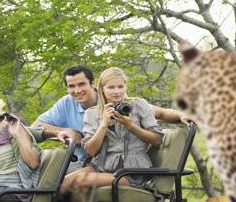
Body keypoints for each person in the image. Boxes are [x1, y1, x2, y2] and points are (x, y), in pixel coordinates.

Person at [33, 65, 191, 171]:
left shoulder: (119, 103)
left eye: (81, 84)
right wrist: (63, 131)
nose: (77, 90)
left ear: (94, 84)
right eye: (71, 86)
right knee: (46, 171)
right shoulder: (67, 104)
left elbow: (161, 113)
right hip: (86, 161)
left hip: (115, 164)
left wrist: (182, 115)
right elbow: (36, 127)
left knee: (66, 180)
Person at [60, 67, 163, 193]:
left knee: (80, 180)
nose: (117, 92)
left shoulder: (138, 105)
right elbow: (90, 152)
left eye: (120, 87)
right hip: (102, 166)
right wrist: (103, 125)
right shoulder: (92, 113)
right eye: (111, 87)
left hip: (132, 171)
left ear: (126, 86)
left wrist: (131, 126)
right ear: (101, 89)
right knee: (64, 182)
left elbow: (157, 140)